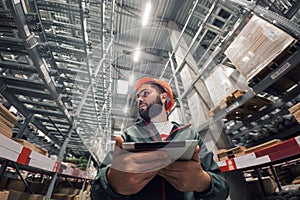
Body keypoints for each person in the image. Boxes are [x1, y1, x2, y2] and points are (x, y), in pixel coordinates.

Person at [91, 77, 230, 200]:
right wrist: (111, 184)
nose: (139, 99)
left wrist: (203, 182)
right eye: (138, 96)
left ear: (163, 98)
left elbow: (222, 190)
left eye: (145, 93)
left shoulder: (189, 135)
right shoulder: (128, 136)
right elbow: (95, 192)